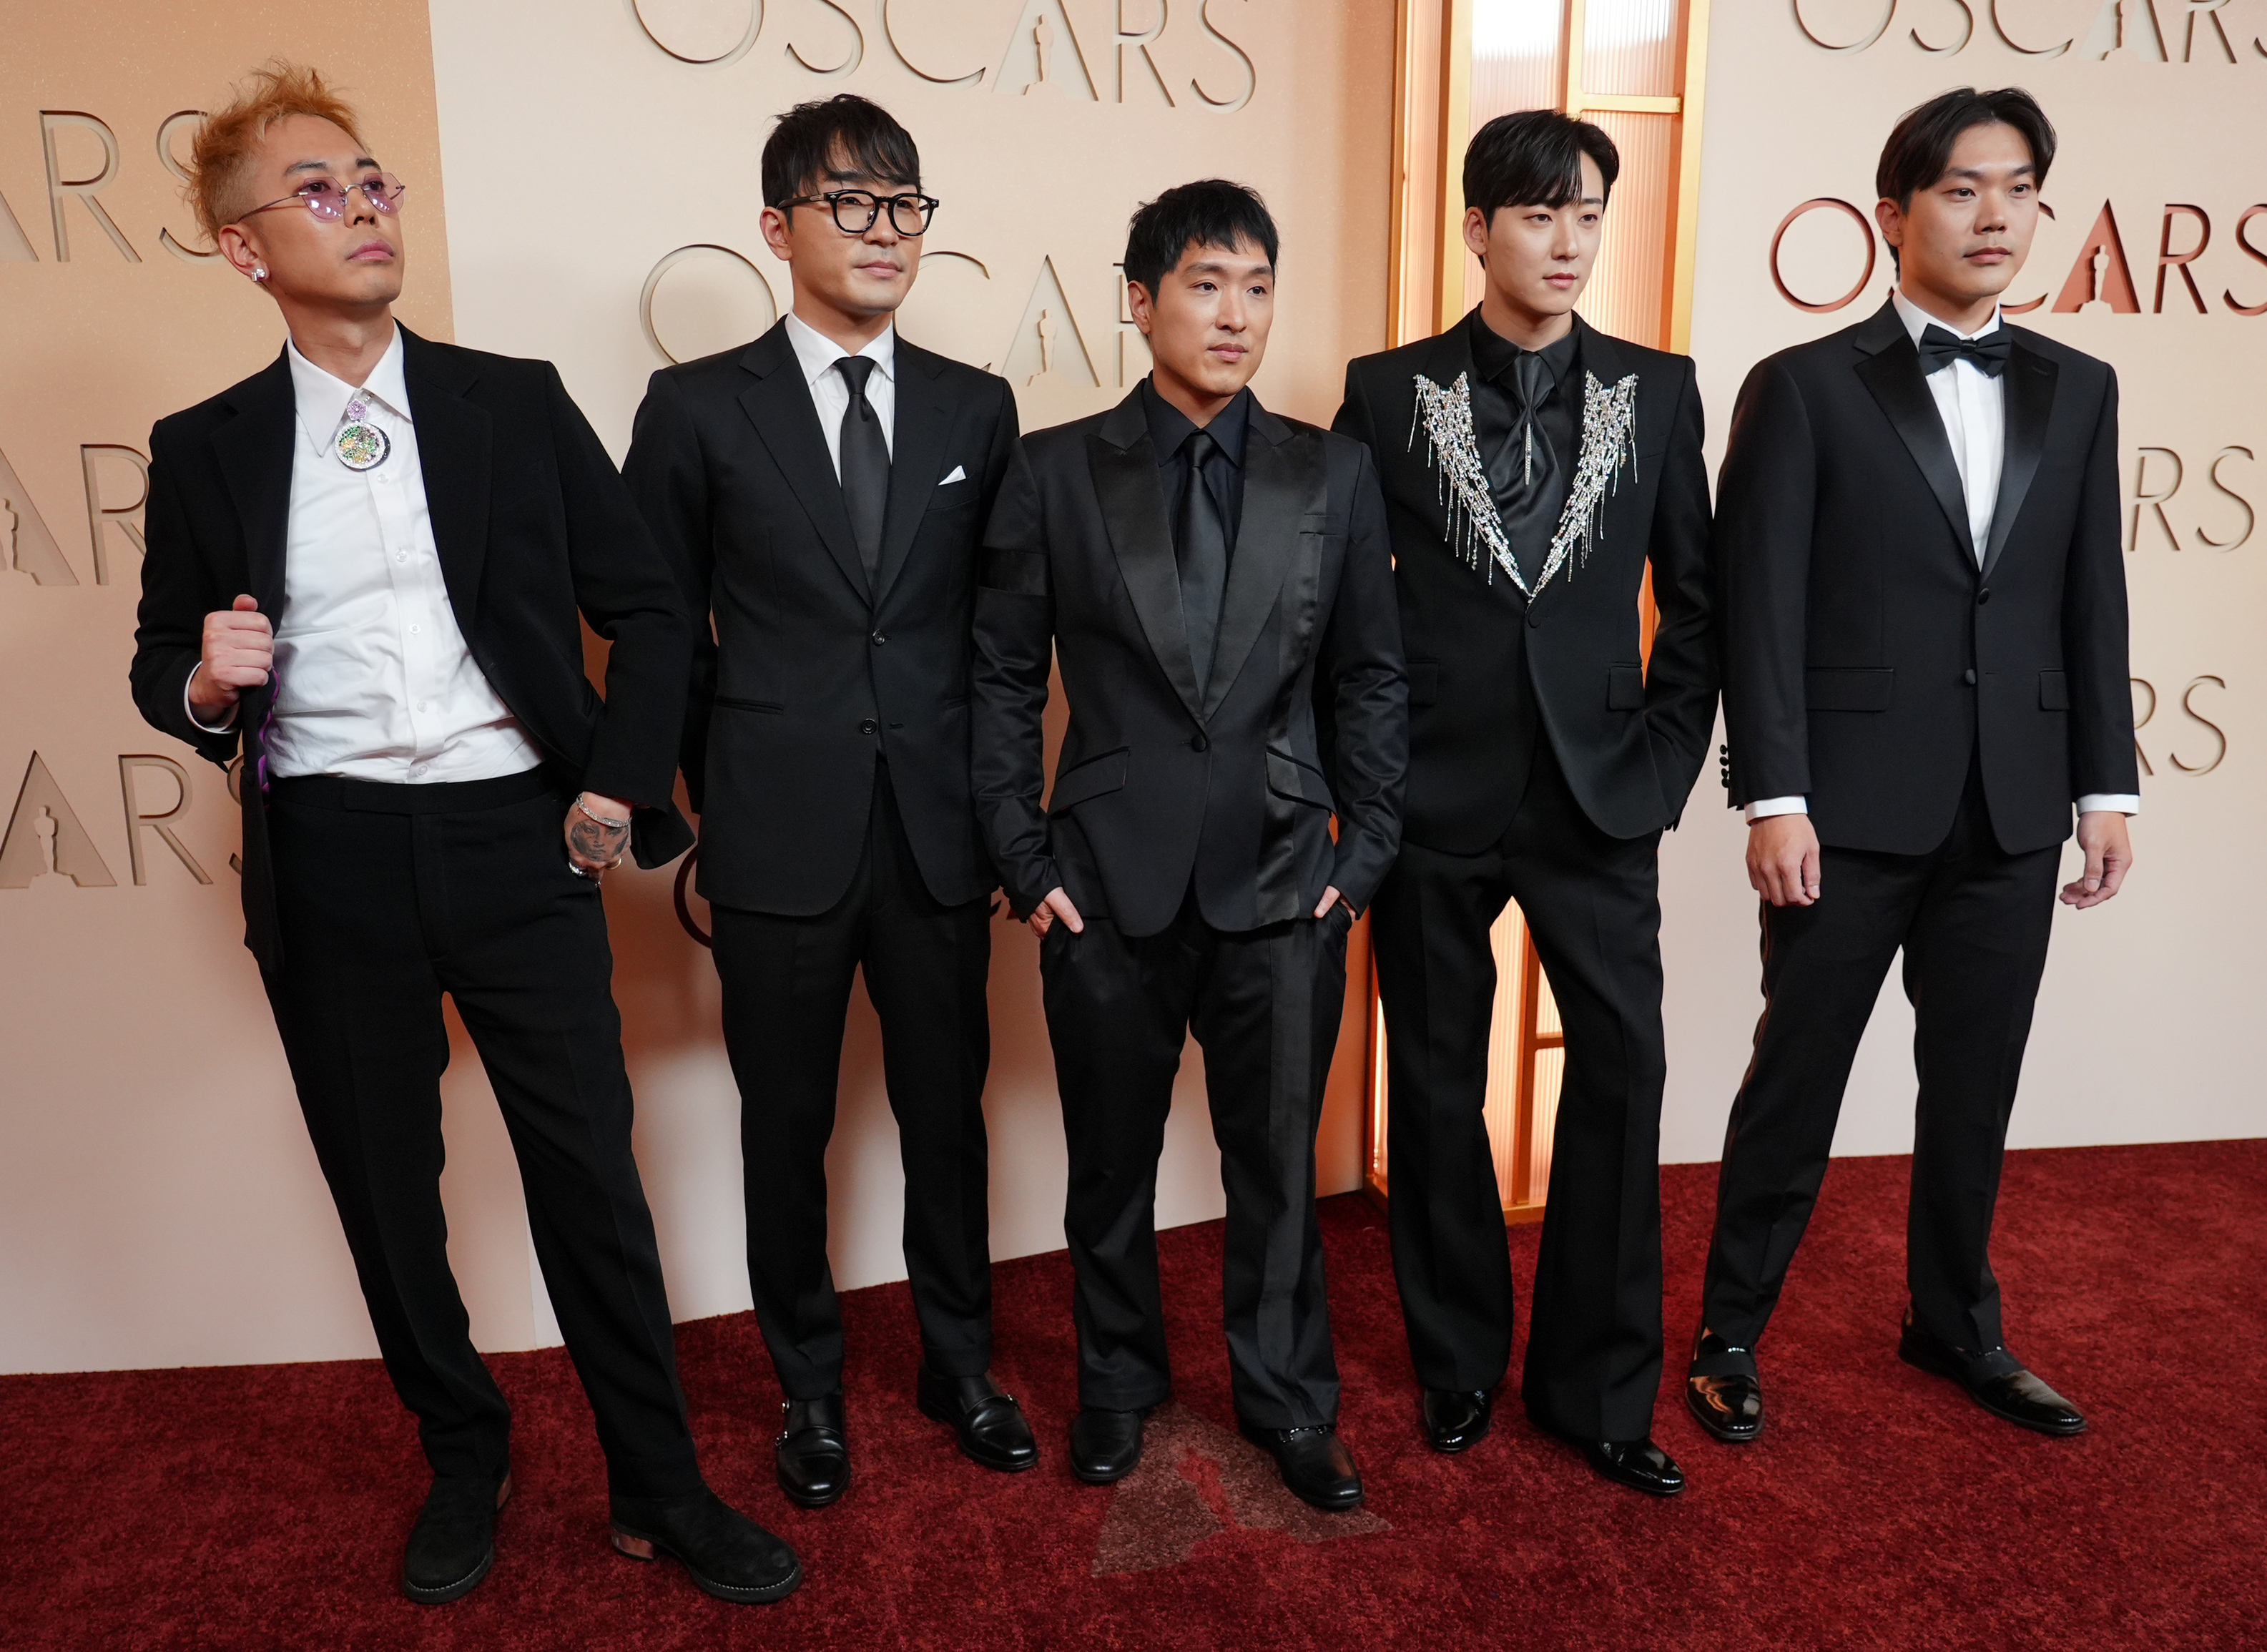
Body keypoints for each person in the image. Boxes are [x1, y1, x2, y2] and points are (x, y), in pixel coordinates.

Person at [127, 64, 797, 1606]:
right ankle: (465, 1455)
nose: (361, 209)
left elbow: (645, 607)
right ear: (245, 250)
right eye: (317, 191)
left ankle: (659, 1486)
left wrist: (615, 789)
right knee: (385, 1191)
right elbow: (169, 662)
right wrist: (205, 685)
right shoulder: (207, 444)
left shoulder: (514, 398)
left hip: (517, 840)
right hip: (336, 858)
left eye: (374, 184)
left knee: (591, 1185)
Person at [1692, 87, 2136, 1445]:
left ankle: (1956, 1323)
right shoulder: (1805, 387)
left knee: (1976, 1079)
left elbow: (2087, 597)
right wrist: (1774, 793)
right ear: (1892, 215)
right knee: (1797, 1074)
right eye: (1960, 188)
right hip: (1844, 812)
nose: (1994, 213)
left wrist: (2103, 785)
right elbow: (1754, 607)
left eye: (2017, 188)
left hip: (2012, 803)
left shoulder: (2080, 386)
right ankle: (1727, 1331)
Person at [623, 94, 1032, 1508]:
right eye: (849, 204)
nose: (882, 231)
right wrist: (700, 800)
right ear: (776, 227)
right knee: (781, 1125)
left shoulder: (980, 407)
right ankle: (809, 1391)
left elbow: (998, 640)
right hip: (775, 832)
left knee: (946, 1117)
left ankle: (959, 1364)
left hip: (934, 835)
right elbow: (654, 620)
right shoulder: (693, 407)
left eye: (904, 205)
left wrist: (998, 813)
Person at [971, 180, 1405, 1511]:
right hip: (1101, 884)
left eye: (1258, 286)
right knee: (1108, 1160)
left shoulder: (1329, 466)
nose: (1236, 313)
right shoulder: (1052, 467)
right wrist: (1024, 861)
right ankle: (1116, 1384)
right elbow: (993, 680)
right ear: (1140, 298)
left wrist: (1365, 849)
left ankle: (1287, 1401)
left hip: (1286, 883)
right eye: (1208, 284)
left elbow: (1371, 675)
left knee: (1276, 1162)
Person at [1334, 112, 1715, 1497]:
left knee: (1621, 1080)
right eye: (1540, 214)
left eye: (1589, 215)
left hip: (1600, 799)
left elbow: (1699, 603)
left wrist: (1665, 765)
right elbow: (1336, 610)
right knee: (1434, 1093)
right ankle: (1453, 1369)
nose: (1568, 242)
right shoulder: (1385, 394)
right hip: (1432, 798)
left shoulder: (1659, 391)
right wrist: (1363, 782)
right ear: (1475, 226)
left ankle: (1600, 1392)